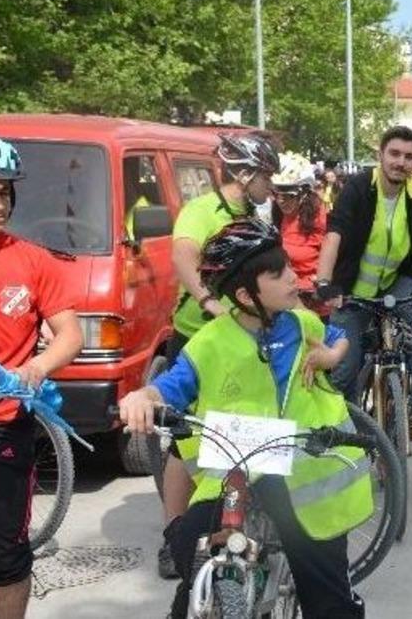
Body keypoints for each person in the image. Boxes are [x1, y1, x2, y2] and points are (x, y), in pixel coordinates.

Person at [118, 220, 369, 619]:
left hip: (301, 476)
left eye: (289, 266)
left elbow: (339, 335)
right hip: (235, 474)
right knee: (192, 558)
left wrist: (330, 356)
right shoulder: (211, 341)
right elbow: (172, 384)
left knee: (328, 599)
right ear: (244, 294)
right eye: (278, 272)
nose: (292, 277)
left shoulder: (303, 324)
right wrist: (141, 396)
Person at [157, 130, 280, 578]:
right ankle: (174, 537)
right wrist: (210, 303)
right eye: (267, 175)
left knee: (242, 429)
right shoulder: (201, 209)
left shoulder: (259, 215)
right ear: (245, 173)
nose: (271, 184)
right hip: (197, 336)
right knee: (184, 440)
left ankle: (234, 523)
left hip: (244, 339)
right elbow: (183, 258)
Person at [0, 133, 83, 619]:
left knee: (5, 559)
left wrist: (36, 367)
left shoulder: (32, 260)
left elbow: (69, 335)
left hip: (1, 428)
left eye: (4, 193)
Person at [316, 125, 412, 439]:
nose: (401, 162)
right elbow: (334, 232)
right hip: (351, 288)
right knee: (344, 367)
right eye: (394, 154)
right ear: (380, 155)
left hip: (396, 280)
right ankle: (339, 427)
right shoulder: (358, 187)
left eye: (409, 157)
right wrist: (325, 281)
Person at [272, 152, 327, 302]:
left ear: (304, 193)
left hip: (312, 301)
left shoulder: (320, 219)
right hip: (286, 295)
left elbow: (335, 259)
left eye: (288, 195)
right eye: (276, 193)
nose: (280, 201)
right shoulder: (279, 213)